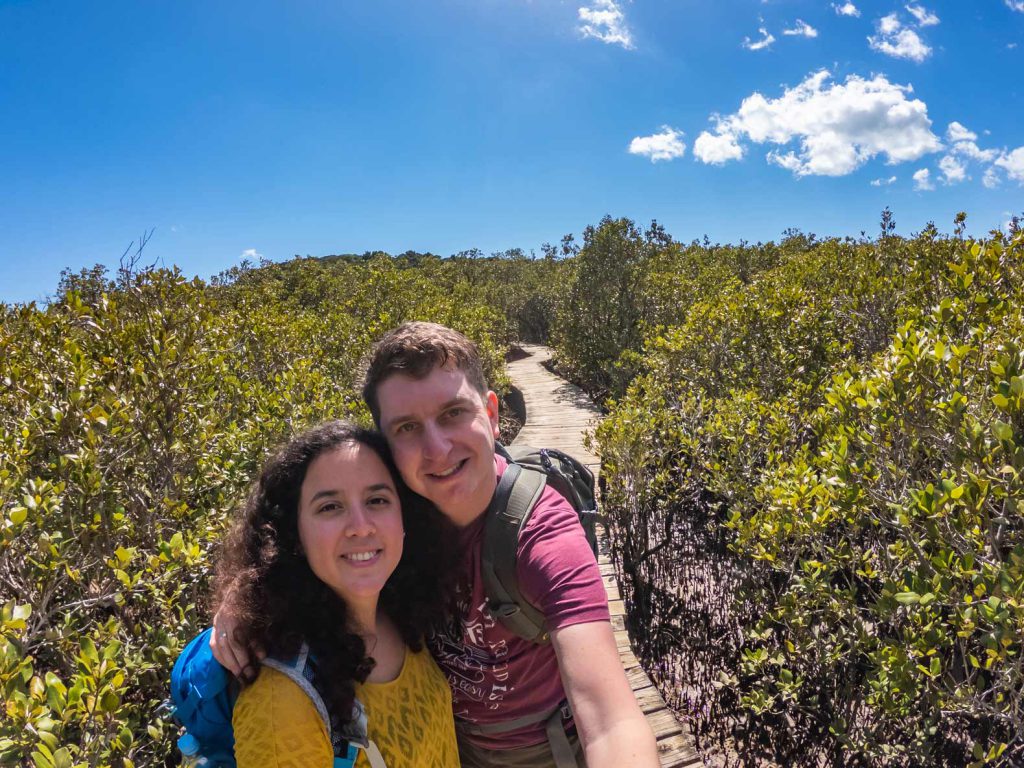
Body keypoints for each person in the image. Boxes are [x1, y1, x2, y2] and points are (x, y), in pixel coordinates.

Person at [215, 323, 659, 768]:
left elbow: (610, 721)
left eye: (453, 413)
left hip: (542, 753)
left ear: (491, 414)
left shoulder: (542, 532)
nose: (437, 448)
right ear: (387, 447)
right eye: (408, 427)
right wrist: (246, 600)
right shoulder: (389, 512)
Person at [214, 419, 461, 767]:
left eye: (377, 500)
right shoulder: (281, 702)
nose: (360, 526)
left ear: (404, 517)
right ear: (293, 535)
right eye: (330, 507)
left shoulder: (405, 613)